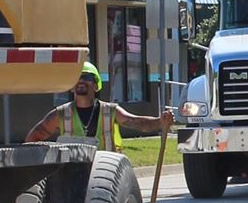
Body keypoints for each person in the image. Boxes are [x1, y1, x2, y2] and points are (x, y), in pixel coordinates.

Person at [26, 61, 173, 147]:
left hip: (105, 176)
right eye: (77, 78)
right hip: (70, 176)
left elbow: (136, 123)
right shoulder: (60, 115)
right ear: (71, 86)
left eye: (87, 77)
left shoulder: (110, 111)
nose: (81, 80)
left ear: (96, 85)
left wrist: (160, 121)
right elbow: (32, 139)